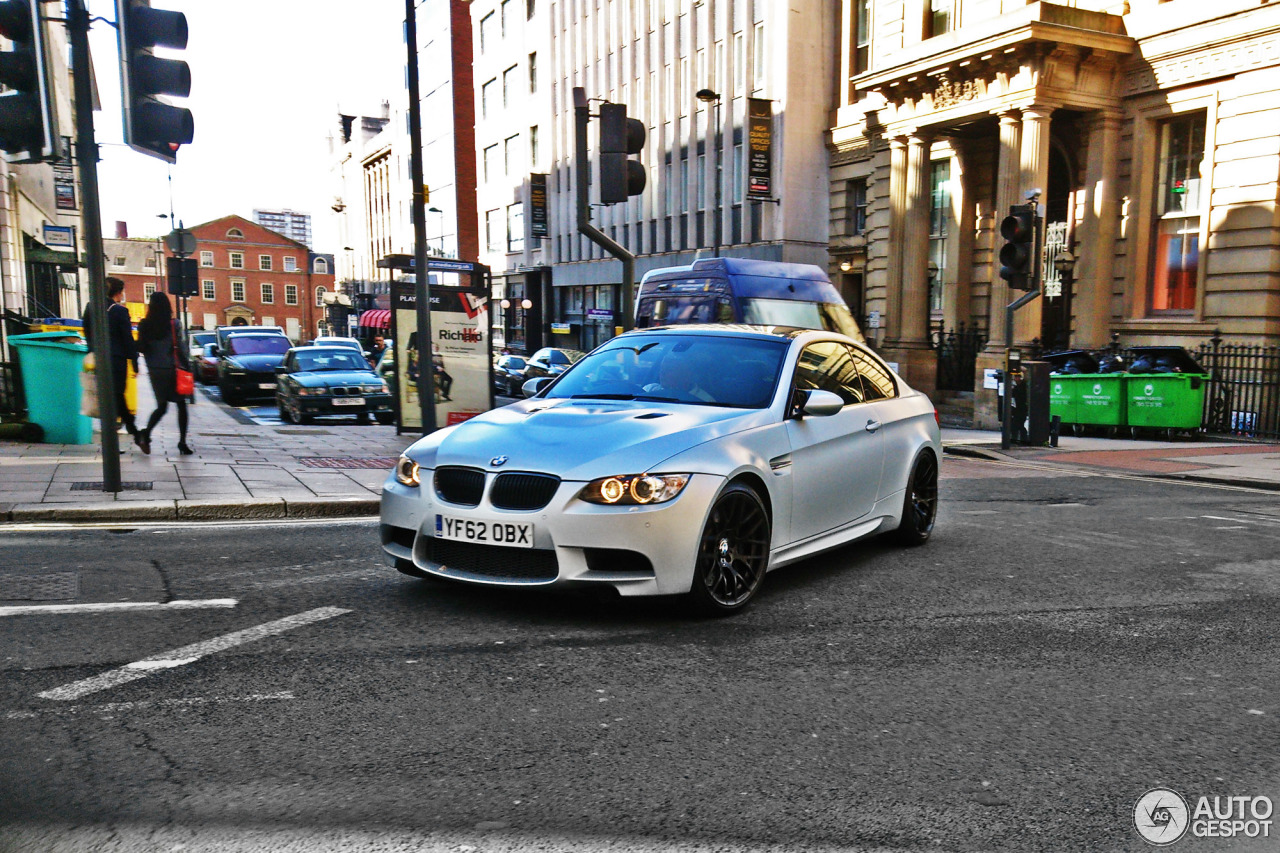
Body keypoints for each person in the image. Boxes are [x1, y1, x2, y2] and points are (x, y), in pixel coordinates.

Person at [134, 292, 193, 456]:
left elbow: (141, 347)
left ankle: (146, 433)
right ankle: (182, 442)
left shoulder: (144, 324)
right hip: (173, 369)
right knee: (181, 405)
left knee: (161, 406)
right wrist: (187, 366)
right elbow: (181, 347)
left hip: (155, 371)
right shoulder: (174, 324)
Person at [82, 277, 139, 437]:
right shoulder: (120, 311)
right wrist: (134, 363)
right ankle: (128, 431)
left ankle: (124, 430)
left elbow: (87, 331)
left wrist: (92, 351)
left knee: (107, 397)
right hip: (116, 360)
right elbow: (127, 339)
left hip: (99, 359)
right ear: (118, 293)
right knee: (118, 395)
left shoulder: (91, 307)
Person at [644, 353, 714, 402]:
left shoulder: (705, 400)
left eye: (669, 370)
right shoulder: (650, 389)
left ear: (686, 374)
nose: (662, 373)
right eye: (662, 369)